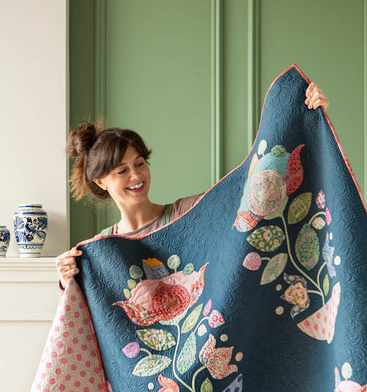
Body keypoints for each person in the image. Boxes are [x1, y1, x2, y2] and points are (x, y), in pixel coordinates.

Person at [56, 81, 329, 289]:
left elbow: (250, 194)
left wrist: (305, 121)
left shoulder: (186, 213)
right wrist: (67, 280)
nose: (136, 176)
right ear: (101, 182)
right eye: (122, 171)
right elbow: (90, 324)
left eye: (140, 164)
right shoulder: (101, 249)